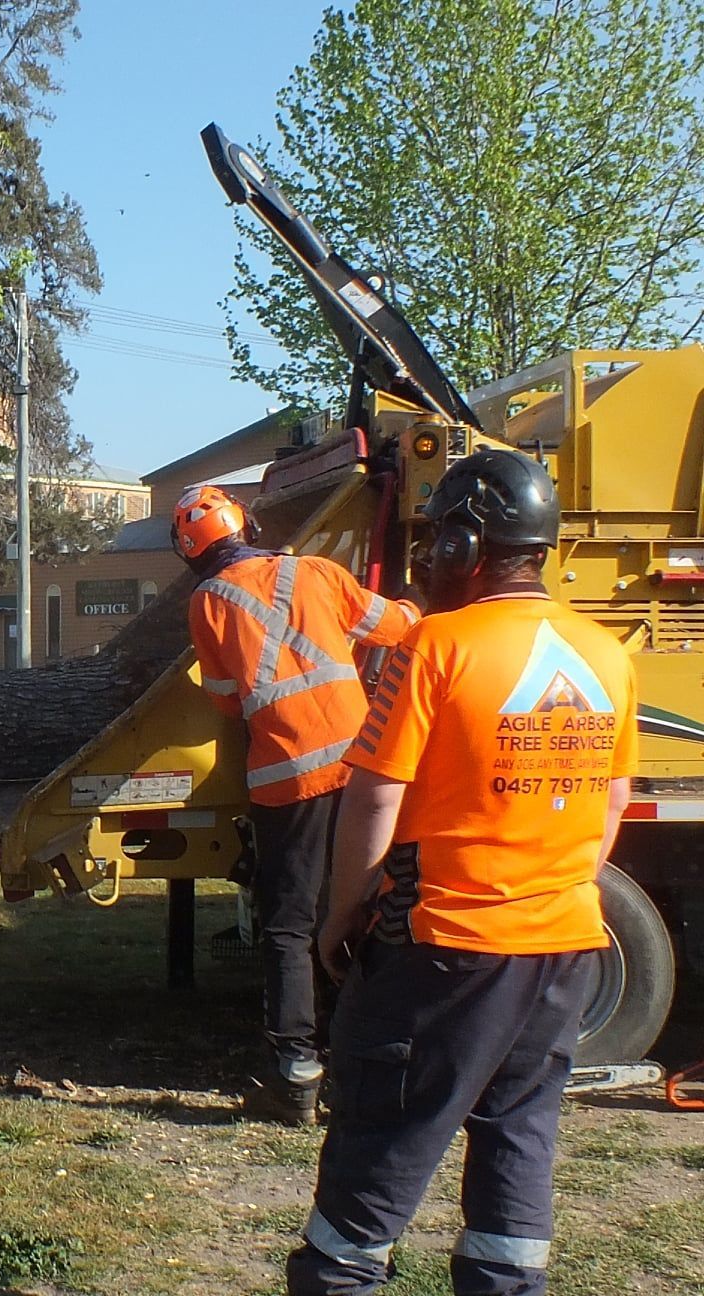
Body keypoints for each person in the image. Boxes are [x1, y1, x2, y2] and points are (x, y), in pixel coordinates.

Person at [288, 449, 637, 1296]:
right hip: (563, 949)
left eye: (439, 537)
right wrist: (551, 887)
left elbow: (374, 798)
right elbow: (612, 801)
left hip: (445, 949)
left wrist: (343, 916)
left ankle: (338, 1277)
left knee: (382, 1142)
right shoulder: (607, 655)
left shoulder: (432, 645)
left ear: (464, 547)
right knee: (519, 1140)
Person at [173, 483, 419, 1125]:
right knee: (375, 907)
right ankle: (377, 1058)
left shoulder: (206, 603)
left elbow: (225, 696)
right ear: (245, 523)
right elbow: (394, 627)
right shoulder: (315, 571)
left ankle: (295, 1074)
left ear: (192, 553)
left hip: (286, 783)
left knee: (290, 926)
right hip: (363, 768)